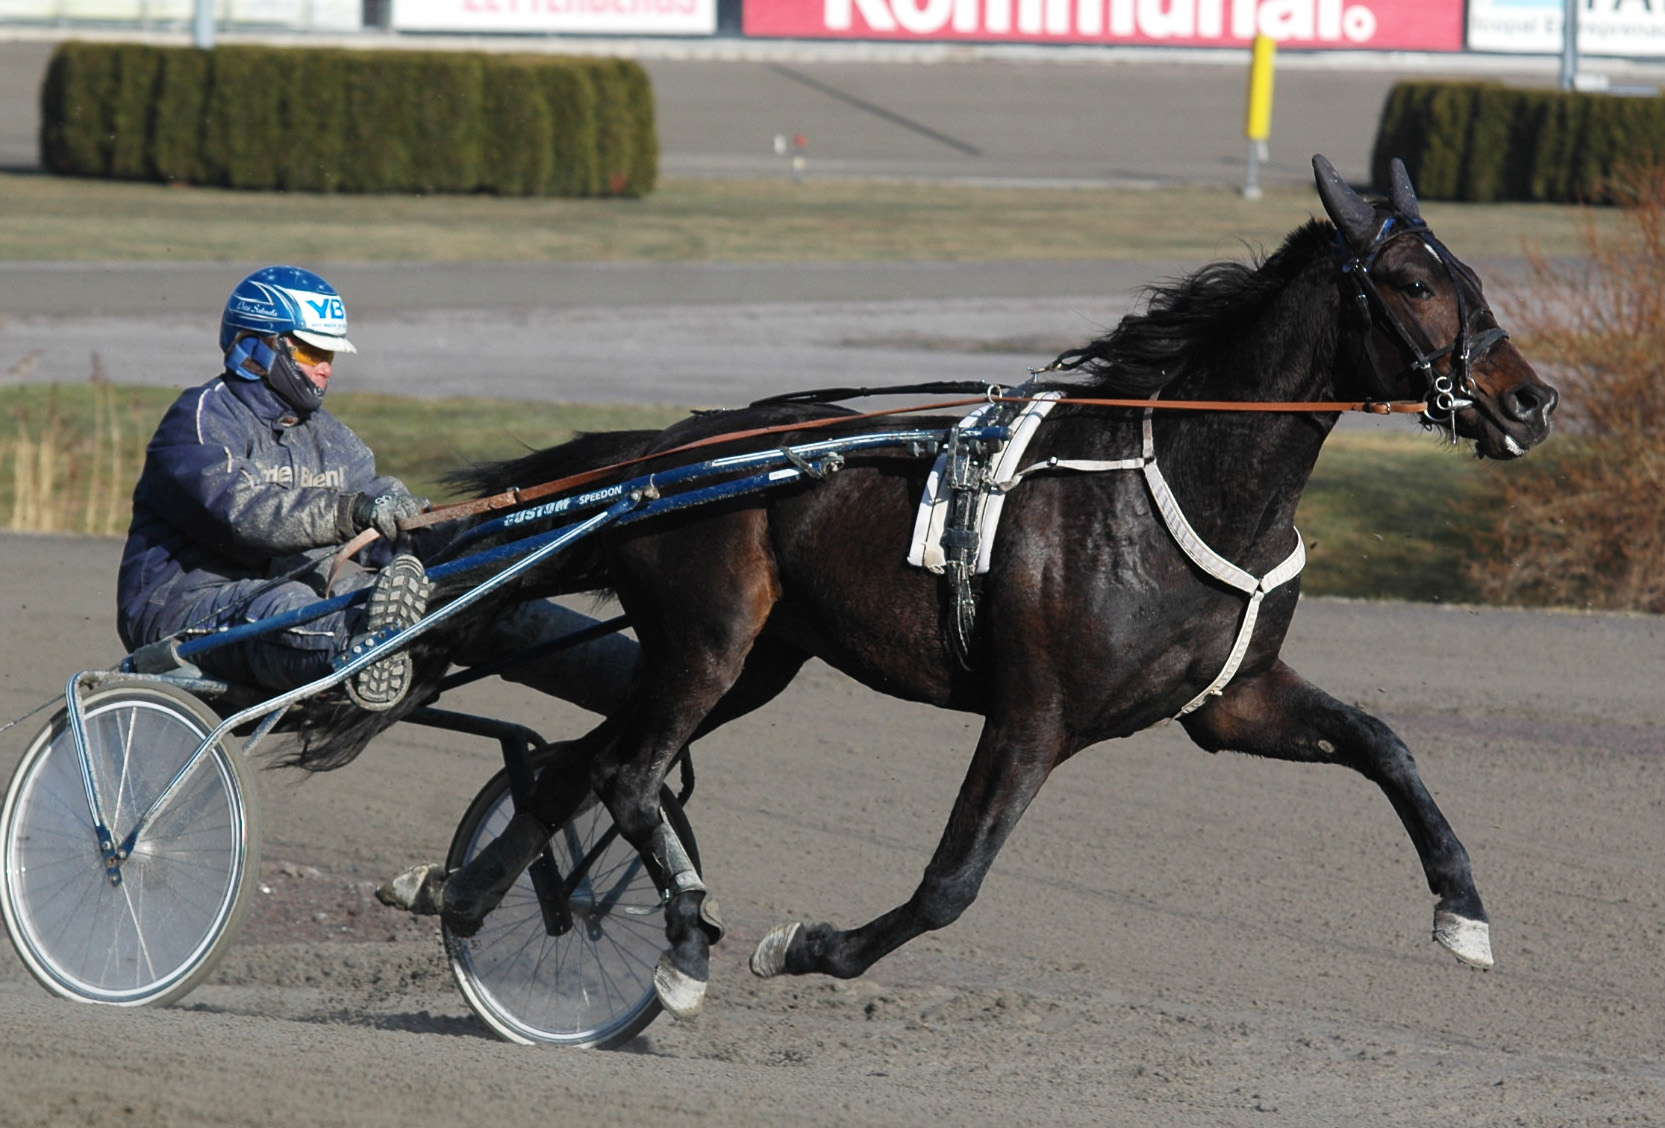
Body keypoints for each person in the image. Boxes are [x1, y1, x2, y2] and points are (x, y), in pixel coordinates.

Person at [118, 265, 638, 715]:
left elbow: (391, 522)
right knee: (293, 602)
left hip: (311, 606)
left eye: (331, 354)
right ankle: (364, 651)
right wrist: (355, 510)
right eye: (309, 350)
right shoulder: (201, 420)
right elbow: (242, 512)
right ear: (256, 346)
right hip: (188, 613)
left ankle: (633, 686)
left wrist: (481, 546)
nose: (325, 366)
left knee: (471, 600)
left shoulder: (334, 440)